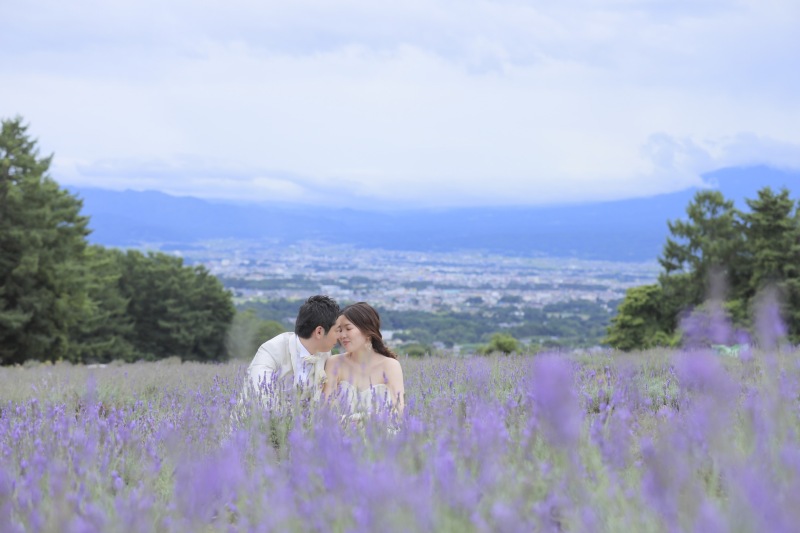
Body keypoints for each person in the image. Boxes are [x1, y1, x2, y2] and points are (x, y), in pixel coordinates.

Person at [246, 295, 340, 402]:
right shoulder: (271, 351)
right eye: (337, 330)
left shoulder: (325, 354)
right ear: (319, 332)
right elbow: (261, 398)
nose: (340, 336)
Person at [322, 302, 405, 416]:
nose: (342, 335)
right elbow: (325, 409)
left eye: (348, 328)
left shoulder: (390, 365)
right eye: (340, 330)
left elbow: (398, 412)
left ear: (367, 330)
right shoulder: (334, 363)